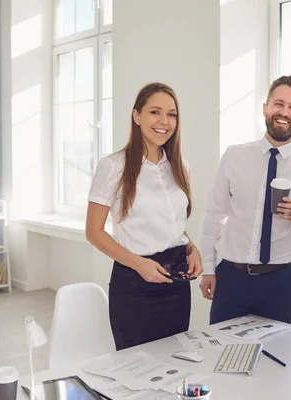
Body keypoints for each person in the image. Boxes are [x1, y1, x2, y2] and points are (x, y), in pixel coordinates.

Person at [198, 75, 291, 325]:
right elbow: (214, 215)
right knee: (222, 357)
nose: (284, 112)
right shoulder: (234, 156)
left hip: (280, 282)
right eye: (278, 104)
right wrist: (209, 268)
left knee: (273, 357)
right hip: (231, 277)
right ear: (265, 108)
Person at [86, 82, 203, 350]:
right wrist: (139, 264)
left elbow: (172, 224)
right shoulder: (113, 166)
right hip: (134, 285)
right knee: (136, 371)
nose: (164, 121)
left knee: (174, 362)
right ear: (137, 116)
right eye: (155, 112)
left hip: (176, 283)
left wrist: (191, 246)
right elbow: (93, 232)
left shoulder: (180, 166)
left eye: (172, 114)